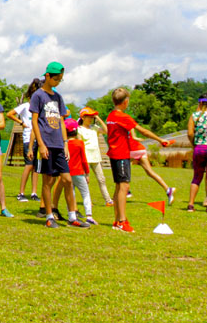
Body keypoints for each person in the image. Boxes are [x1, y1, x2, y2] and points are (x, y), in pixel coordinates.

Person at [103, 87, 174, 232]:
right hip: (121, 155)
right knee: (124, 187)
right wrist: (160, 140)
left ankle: (117, 221)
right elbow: (143, 130)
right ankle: (122, 221)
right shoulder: (123, 117)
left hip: (114, 154)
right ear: (125, 102)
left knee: (119, 187)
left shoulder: (110, 116)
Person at [29, 63, 70, 228]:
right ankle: (48, 215)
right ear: (47, 76)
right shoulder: (38, 96)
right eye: (56, 79)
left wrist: (65, 143)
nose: (58, 82)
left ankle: (70, 214)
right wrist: (40, 144)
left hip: (59, 144)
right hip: (45, 144)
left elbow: (61, 121)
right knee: (47, 180)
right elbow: (34, 121)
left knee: (66, 178)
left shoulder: (58, 97)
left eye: (60, 79)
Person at [76, 108, 111, 215]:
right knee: (85, 181)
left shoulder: (95, 128)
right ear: (83, 117)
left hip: (96, 158)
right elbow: (80, 145)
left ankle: (108, 200)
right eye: (89, 117)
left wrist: (98, 118)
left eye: (92, 117)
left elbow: (107, 131)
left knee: (102, 179)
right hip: (85, 158)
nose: (91, 119)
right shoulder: (79, 129)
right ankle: (88, 200)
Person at [13, 78, 40, 202]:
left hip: (38, 139)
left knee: (36, 167)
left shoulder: (39, 108)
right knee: (28, 166)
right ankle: (21, 193)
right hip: (28, 139)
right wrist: (21, 122)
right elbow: (10, 113)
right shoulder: (25, 106)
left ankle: (34, 193)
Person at [64, 120, 89, 227]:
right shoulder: (79, 143)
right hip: (79, 172)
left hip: (68, 173)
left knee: (71, 193)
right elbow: (84, 159)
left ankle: (72, 212)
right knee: (85, 193)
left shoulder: (64, 144)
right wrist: (87, 173)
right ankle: (89, 214)